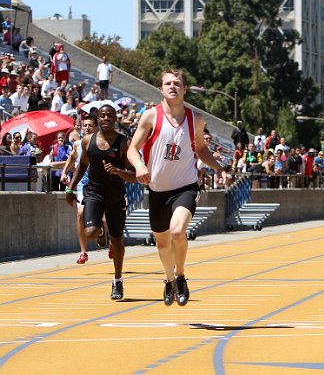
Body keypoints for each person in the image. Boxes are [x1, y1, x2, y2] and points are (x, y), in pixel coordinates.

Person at [127, 69, 227, 307]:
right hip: (157, 189)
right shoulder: (150, 116)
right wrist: (140, 164)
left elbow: (201, 149)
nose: (172, 87)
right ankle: (169, 280)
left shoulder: (196, 119)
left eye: (177, 83)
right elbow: (132, 148)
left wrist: (219, 168)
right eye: (168, 83)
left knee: (177, 232)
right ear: (161, 89)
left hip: (185, 186)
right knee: (162, 243)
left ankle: (180, 276)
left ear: (185, 89)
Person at [65, 103, 136, 300]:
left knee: (117, 240)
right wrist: (71, 188)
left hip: (115, 195)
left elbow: (135, 174)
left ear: (115, 119)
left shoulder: (123, 143)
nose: (106, 119)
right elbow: (81, 166)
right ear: (98, 119)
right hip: (94, 192)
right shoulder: (88, 141)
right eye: (103, 116)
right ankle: (100, 230)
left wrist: (119, 171)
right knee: (90, 232)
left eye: (110, 115)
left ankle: (118, 280)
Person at [61, 114, 100, 264]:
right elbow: (72, 157)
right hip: (84, 184)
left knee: (104, 219)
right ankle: (83, 252)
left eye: (90, 125)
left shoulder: (100, 142)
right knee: (80, 213)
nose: (87, 128)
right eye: (85, 125)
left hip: (99, 183)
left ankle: (110, 241)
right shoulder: (78, 144)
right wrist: (65, 171)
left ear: (96, 127)